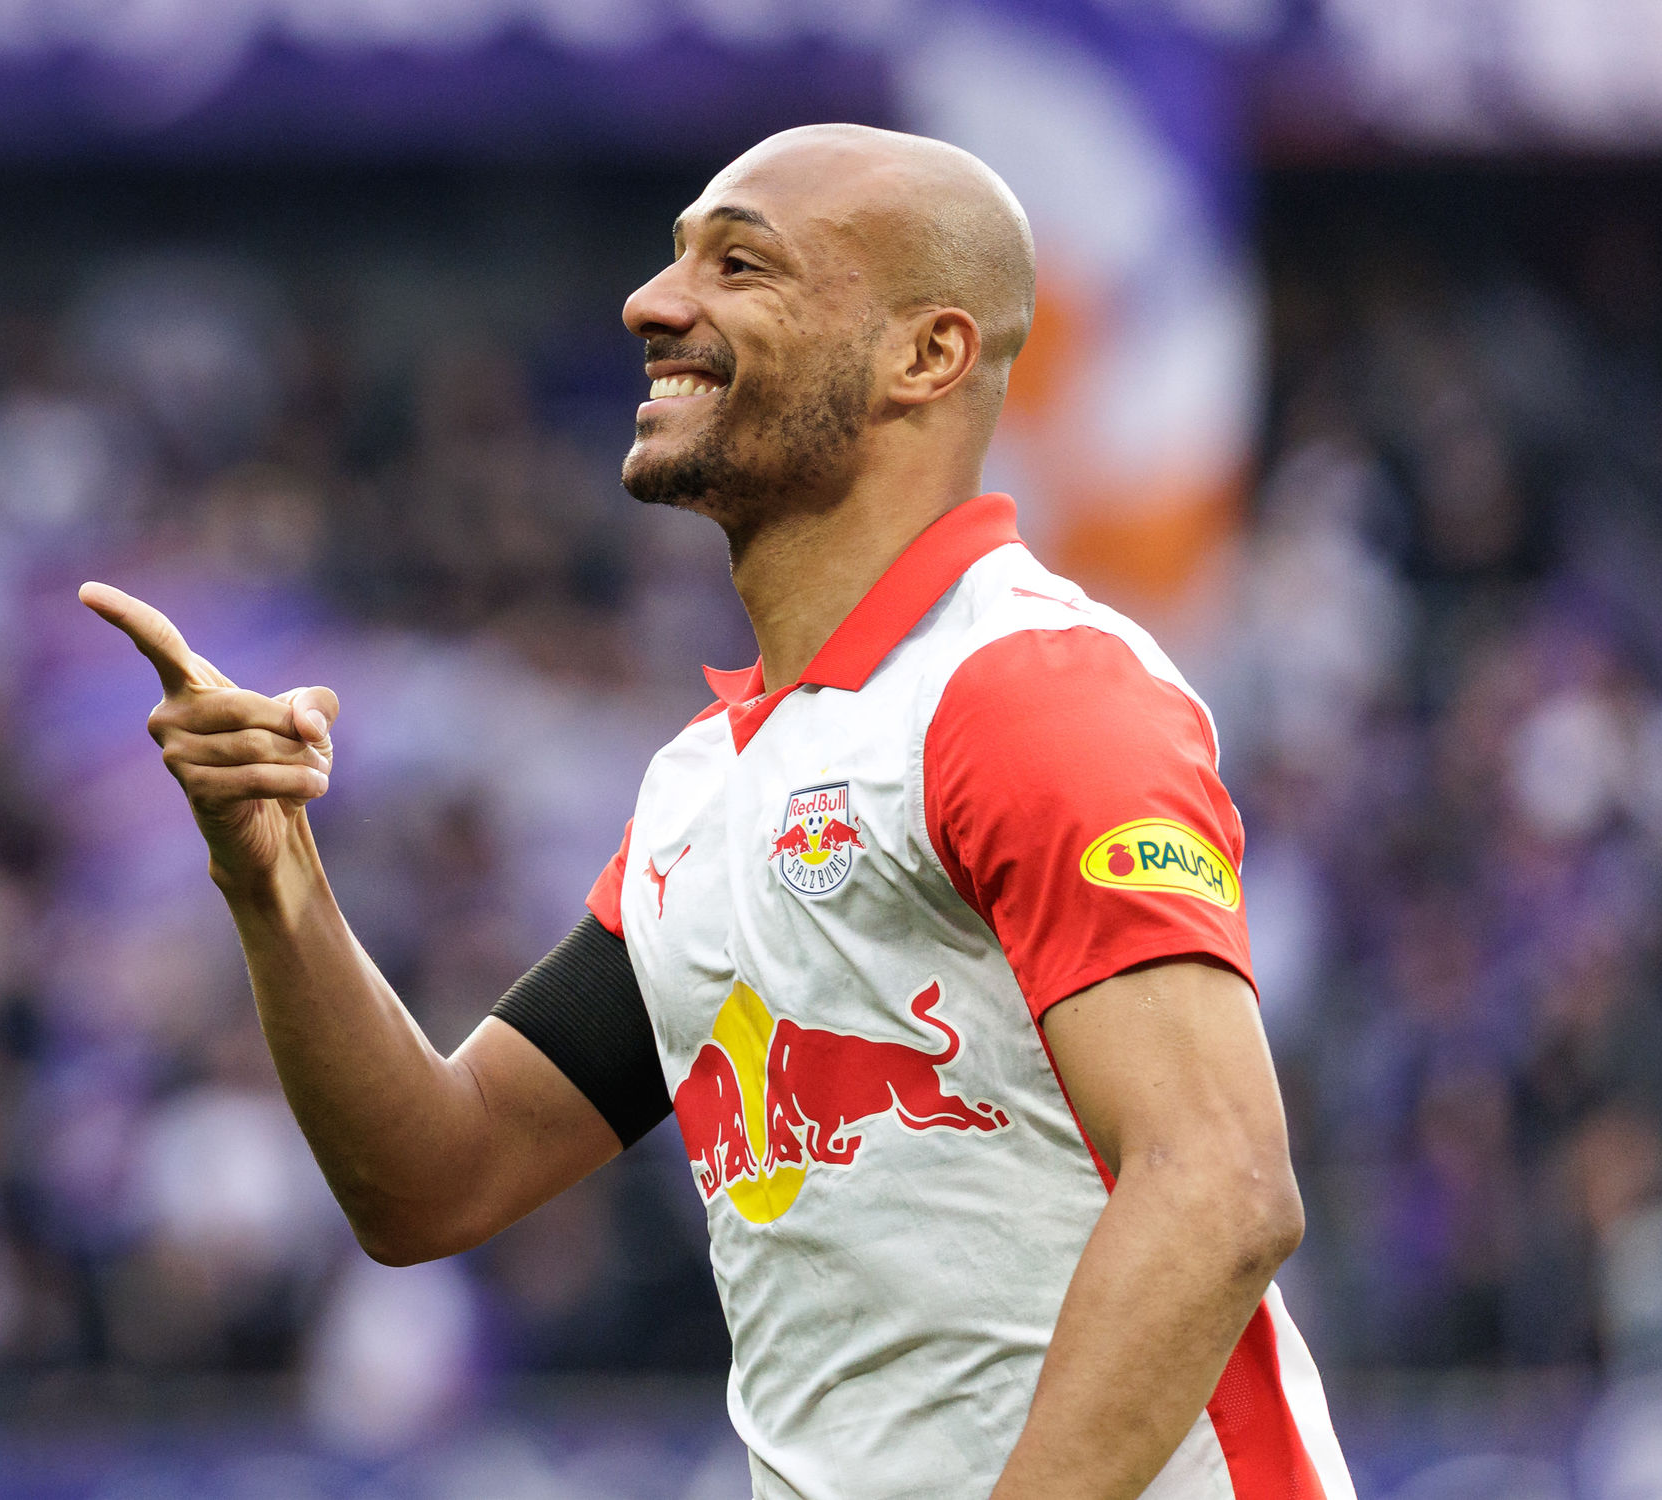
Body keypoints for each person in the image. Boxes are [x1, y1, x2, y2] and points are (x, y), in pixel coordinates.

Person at [79, 124, 1354, 1500]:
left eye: (740, 265)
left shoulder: (1026, 689)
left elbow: (1220, 1185)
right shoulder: (709, 784)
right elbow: (435, 1178)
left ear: (925, 355)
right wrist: (272, 873)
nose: (651, 302)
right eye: (675, 255)